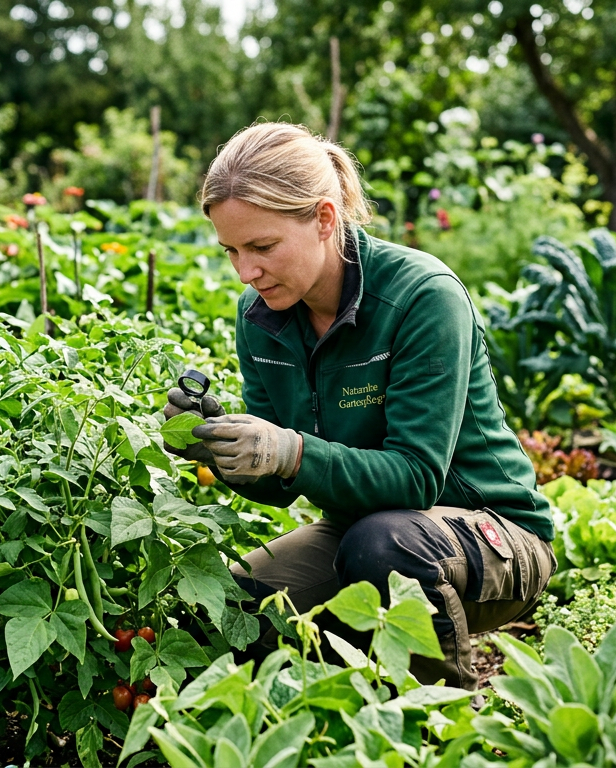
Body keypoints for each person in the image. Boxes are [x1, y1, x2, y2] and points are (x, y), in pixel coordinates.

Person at [162, 122, 555, 690]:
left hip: (490, 538)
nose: (246, 272)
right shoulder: (261, 317)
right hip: (360, 533)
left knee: (384, 550)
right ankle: (325, 706)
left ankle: (436, 719)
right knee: (233, 604)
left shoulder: (422, 296)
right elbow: (280, 488)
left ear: (325, 219)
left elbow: (416, 478)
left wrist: (289, 450)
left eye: (263, 247)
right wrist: (224, 450)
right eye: (232, 251)